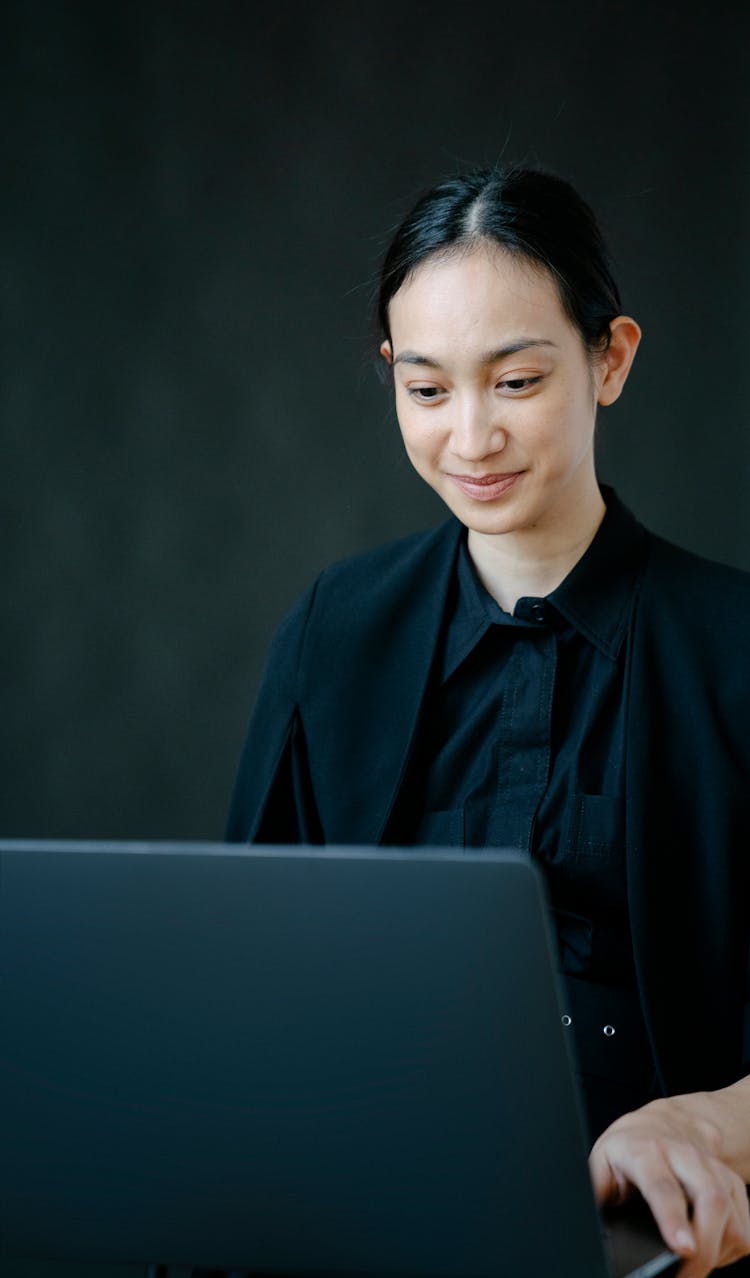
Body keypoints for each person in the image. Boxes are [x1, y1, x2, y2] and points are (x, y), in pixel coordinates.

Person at [227, 166, 750, 1275]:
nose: (471, 437)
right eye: (426, 390)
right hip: (369, 1204)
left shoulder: (736, 647)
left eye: (515, 380)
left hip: (658, 1225)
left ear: (611, 359)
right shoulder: (336, 630)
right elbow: (250, 980)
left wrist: (711, 1121)